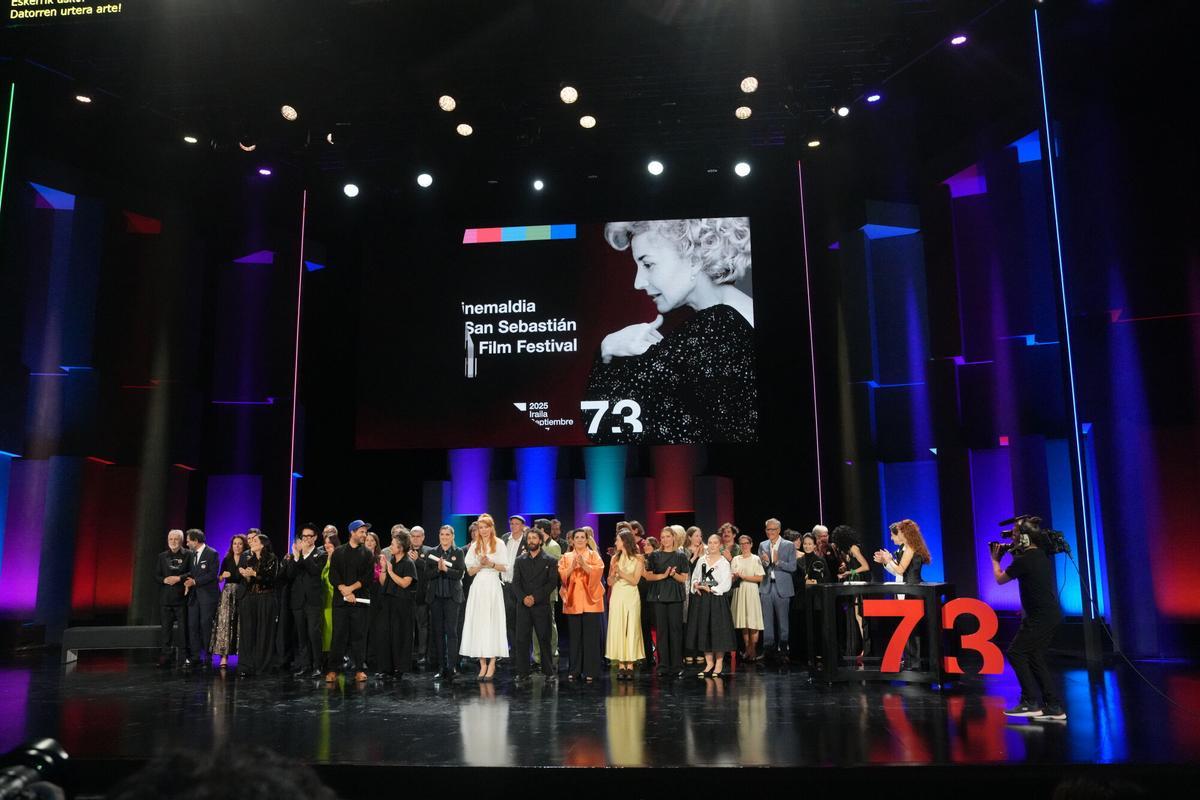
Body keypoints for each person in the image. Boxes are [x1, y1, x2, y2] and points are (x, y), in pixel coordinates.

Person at [583, 217, 757, 443]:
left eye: (648, 264)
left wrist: (606, 350)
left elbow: (601, 428)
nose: (638, 282)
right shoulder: (743, 312)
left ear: (694, 259)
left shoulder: (715, 327)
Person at [992, 516, 1066, 720]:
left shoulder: (1024, 561)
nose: (1013, 539)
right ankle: (1054, 706)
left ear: (1025, 538)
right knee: (1034, 656)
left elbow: (999, 579)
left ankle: (1029, 702)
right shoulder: (1040, 554)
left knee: (1015, 653)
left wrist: (995, 560)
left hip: (1040, 616)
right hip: (1047, 614)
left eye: (1015, 535)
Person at [461, 513, 509, 680]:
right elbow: (469, 571)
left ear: (491, 527)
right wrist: (481, 565)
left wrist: (491, 563)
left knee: (493, 622)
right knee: (479, 623)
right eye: (480, 528)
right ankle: (482, 664)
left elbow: (505, 567)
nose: (483, 530)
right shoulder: (475, 546)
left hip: (493, 586)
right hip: (479, 586)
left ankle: (492, 662)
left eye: (486, 527)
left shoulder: (500, 544)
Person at [326, 520, 374, 683]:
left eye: (365, 532)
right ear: (352, 532)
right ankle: (333, 669)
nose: (364, 535)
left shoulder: (367, 554)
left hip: (359, 602)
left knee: (358, 636)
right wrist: (343, 589)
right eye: (361, 532)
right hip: (341, 602)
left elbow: (367, 578)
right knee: (338, 635)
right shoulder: (339, 552)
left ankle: (359, 669)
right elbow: (333, 575)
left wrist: (351, 589)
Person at [511, 526, 558, 683]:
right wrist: (524, 598)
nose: (531, 541)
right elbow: (515, 583)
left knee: (544, 639)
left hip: (541, 605)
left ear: (540, 540)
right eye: (529, 538)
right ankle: (523, 672)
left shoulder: (550, 560)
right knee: (522, 639)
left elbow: (552, 583)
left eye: (534, 538)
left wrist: (534, 597)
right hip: (523, 605)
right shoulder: (520, 560)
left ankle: (548, 672)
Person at [558, 527, 605, 682]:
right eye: (576, 537)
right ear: (572, 540)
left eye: (582, 537)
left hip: (591, 601)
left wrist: (585, 565)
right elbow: (562, 576)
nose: (579, 540)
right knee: (574, 637)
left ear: (587, 540)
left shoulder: (594, 555)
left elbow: (599, 572)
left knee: (591, 637)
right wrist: (572, 567)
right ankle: (575, 670)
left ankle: (591, 670)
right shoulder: (566, 556)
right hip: (573, 600)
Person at [643, 525, 690, 677]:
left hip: (675, 596)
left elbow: (684, 578)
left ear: (673, 537)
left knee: (676, 631)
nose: (665, 539)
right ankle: (662, 665)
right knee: (661, 631)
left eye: (668, 536)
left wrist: (674, 574)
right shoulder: (654, 555)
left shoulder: (680, 556)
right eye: (662, 537)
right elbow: (648, 576)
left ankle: (677, 665)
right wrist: (663, 575)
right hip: (659, 595)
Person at [282, 523, 328, 678]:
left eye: (310, 536)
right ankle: (305, 665)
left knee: (314, 633)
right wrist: (296, 557)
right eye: (304, 536)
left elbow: (316, 572)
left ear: (315, 538)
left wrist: (306, 555)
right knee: (301, 635)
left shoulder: (321, 554)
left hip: (313, 601)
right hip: (298, 600)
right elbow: (290, 575)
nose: (307, 539)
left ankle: (317, 665)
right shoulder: (296, 555)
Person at [687, 533, 736, 677]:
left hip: (717, 600)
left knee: (717, 631)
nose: (712, 545)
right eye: (710, 542)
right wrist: (696, 585)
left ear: (720, 545)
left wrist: (711, 589)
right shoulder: (702, 560)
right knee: (704, 630)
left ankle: (719, 663)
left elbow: (726, 584)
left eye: (715, 543)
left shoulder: (723, 563)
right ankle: (709, 663)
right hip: (702, 599)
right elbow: (695, 577)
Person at [373, 528, 417, 679]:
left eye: (393, 544)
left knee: (400, 636)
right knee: (386, 635)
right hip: (388, 603)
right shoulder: (392, 561)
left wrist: (391, 572)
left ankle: (400, 668)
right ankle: (387, 668)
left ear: (401, 547)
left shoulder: (408, 563)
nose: (390, 547)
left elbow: (405, 583)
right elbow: (383, 582)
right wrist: (384, 569)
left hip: (402, 605)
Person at [605, 529, 645, 679]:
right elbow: (610, 582)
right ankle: (621, 664)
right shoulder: (614, 558)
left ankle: (630, 664)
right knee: (619, 627)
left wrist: (621, 573)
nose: (615, 542)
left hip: (631, 595)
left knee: (631, 627)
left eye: (618, 540)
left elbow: (635, 580)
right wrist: (614, 575)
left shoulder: (638, 558)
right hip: (617, 595)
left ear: (625, 541)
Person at [238, 531, 279, 677]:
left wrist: (254, 574)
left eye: (255, 541)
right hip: (251, 598)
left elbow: (272, 578)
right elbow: (249, 582)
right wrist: (246, 576)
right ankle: (246, 665)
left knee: (264, 631)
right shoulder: (250, 560)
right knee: (248, 632)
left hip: (266, 598)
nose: (251, 543)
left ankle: (262, 666)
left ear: (263, 545)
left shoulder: (272, 558)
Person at [427, 524, 465, 681]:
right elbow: (427, 574)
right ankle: (442, 667)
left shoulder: (458, 552)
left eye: (447, 534)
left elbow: (459, 574)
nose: (444, 537)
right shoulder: (432, 552)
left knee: (452, 632)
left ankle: (452, 666)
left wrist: (446, 570)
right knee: (438, 632)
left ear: (452, 536)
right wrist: (438, 570)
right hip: (436, 598)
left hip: (452, 598)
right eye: (442, 534)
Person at [757, 518, 796, 662]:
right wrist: (765, 562)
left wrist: (778, 561)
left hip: (782, 588)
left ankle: (784, 650)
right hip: (767, 587)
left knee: (783, 621)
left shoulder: (789, 545)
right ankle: (768, 650)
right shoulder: (763, 545)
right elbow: (762, 566)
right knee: (767, 621)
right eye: (768, 529)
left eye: (773, 529)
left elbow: (793, 567)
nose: (770, 532)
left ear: (779, 530)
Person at [831, 525, 872, 660]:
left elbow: (865, 566)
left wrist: (850, 572)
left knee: (860, 616)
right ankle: (864, 647)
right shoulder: (847, 550)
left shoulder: (854, 548)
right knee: (857, 616)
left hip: (861, 584)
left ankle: (867, 649)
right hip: (854, 584)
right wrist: (845, 569)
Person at [182, 528, 219, 668]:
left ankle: (208, 657)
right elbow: (191, 572)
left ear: (196, 541)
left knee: (205, 625)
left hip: (207, 596)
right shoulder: (192, 554)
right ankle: (195, 657)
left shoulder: (212, 553)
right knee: (192, 625)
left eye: (188, 541)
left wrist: (195, 582)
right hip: (194, 596)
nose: (187, 543)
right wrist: (183, 579)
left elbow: (212, 574)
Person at [210, 533, 247, 669]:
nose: (237, 546)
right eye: (235, 544)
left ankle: (242, 655)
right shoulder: (227, 559)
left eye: (240, 544)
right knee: (225, 624)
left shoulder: (247, 559)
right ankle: (224, 657)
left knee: (240, 623)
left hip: (242, 592)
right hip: (227, 594)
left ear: (244, 546)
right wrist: (222, 576)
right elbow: (219, 578)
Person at [155, 529, 189, 668]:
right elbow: (157, 575)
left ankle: (183, 657)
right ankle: (166, 656)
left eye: (176, 539)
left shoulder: (188, 555)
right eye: (171, 539)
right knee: (166, 630)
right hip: (166, 599)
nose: (173, 541)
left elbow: (192, 572)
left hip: (182, 599)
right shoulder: (162, 556)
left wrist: (179, 578)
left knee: (183, 630)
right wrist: (164, 580)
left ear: (181, 541)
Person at [530, 518, 560, 670]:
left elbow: (553, 572)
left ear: (542, 530)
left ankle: (552, 653)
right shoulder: (533, 546)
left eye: (536, 529)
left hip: (547, 592)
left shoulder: (553, 546)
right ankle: (537, 656)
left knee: (549, 624)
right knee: (535, 625)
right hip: (534, 592)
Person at [731, 534, 766, 662]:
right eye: (742, 544)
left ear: (751, 544)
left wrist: (744, 577)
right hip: (739, 591)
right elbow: (731, 578)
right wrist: (735, 576)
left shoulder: (755, 559)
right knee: (743, 622)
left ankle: (753, 649)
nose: (744, 546)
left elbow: (760, 578)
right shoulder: (736, 559)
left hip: (751, 591)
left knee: (753, 621)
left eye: (746, 543)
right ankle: (747, 648)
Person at [501, 514, 528, 659]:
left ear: (523, 526)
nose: (513, 526)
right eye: (511, 523)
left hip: (520, 585)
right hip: (505, 584)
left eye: (517, 524)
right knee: (508, 618)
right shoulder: (505, 538)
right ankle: (512, 649)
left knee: (521, 619)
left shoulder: (527, 539)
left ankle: (522, 650)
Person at [408, 525, 434, 669]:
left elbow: (432, 571)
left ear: (423, 537)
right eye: (413, 536)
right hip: (406, 595)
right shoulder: (404, 550)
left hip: (422, 595)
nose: (416, 539)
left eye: (418, 536)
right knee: (407, 626)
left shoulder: (430, 551)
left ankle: (422, 653)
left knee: (423, 625)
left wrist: (418, 560)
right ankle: (407, 653)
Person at [683, 526, 705, 666]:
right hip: (687, 590)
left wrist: (701, 556)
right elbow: (684, 569)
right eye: (696, 535)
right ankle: (688, 652)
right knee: (688, 621)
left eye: (700, 536)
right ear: (689, 537)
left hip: (700, 590)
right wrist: (695, 556)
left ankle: (700, 651)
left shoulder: (706, 550)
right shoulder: (683, 551)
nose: (699, 538)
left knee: (699, 621)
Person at [318, 528, 339, 661]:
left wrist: (331, 559)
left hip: (335, 596)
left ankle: (334, 656)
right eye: (325, 543)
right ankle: (324, 655)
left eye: (329, 543)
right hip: (324, 596)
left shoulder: (341, 556)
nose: (327, 545)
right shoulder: (322, 556)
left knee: (332, 627)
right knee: (324, 627)